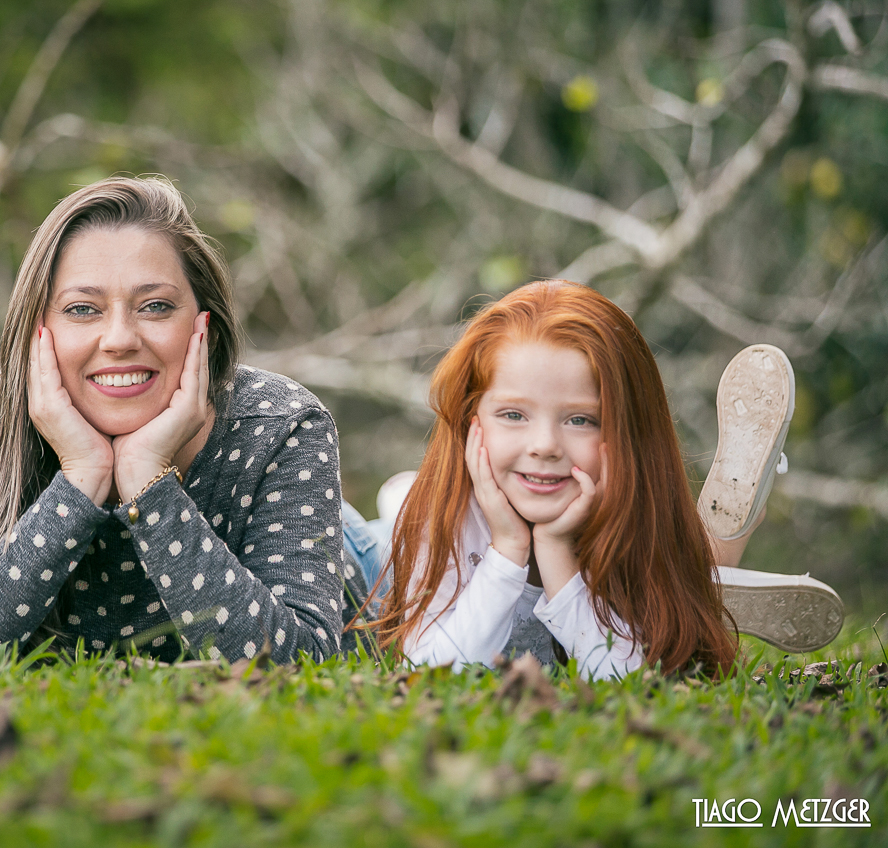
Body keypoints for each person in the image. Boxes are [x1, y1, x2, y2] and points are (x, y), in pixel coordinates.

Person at [0, 176, 363, 667]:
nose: (119, 339)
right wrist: (80, 480)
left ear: (205, 326)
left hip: (351, 556)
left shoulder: (281, 427)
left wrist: (150, 484)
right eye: (82, 309)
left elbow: (303, 661)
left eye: (156, 306)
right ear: (37, 332)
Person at [356, 280, 842, 680]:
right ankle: (714, 557)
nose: (545, 445)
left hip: (610, 530)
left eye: (580, 420)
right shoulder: (443, 515)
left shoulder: (631, 512)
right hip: (376, 558)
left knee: (672, 584)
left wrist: (557, 553)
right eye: (513, 414)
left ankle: (714, 548)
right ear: (471, 423)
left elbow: (628, 682)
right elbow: (428, 673)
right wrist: (507, 551)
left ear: (627, 432)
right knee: (389, 515)